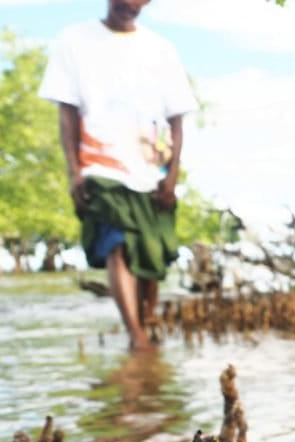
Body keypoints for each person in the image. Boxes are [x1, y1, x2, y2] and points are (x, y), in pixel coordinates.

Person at [39, 0, 197, 352]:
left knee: (152, 257)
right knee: (117, 243)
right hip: (101, 165)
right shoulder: (74, 41)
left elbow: (177, 119)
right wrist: (74, 170)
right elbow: (67, 112)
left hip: (151, 166)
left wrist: (171, 176)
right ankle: (136, 336)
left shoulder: (161, 49)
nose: (131, 5)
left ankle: (145, 324)